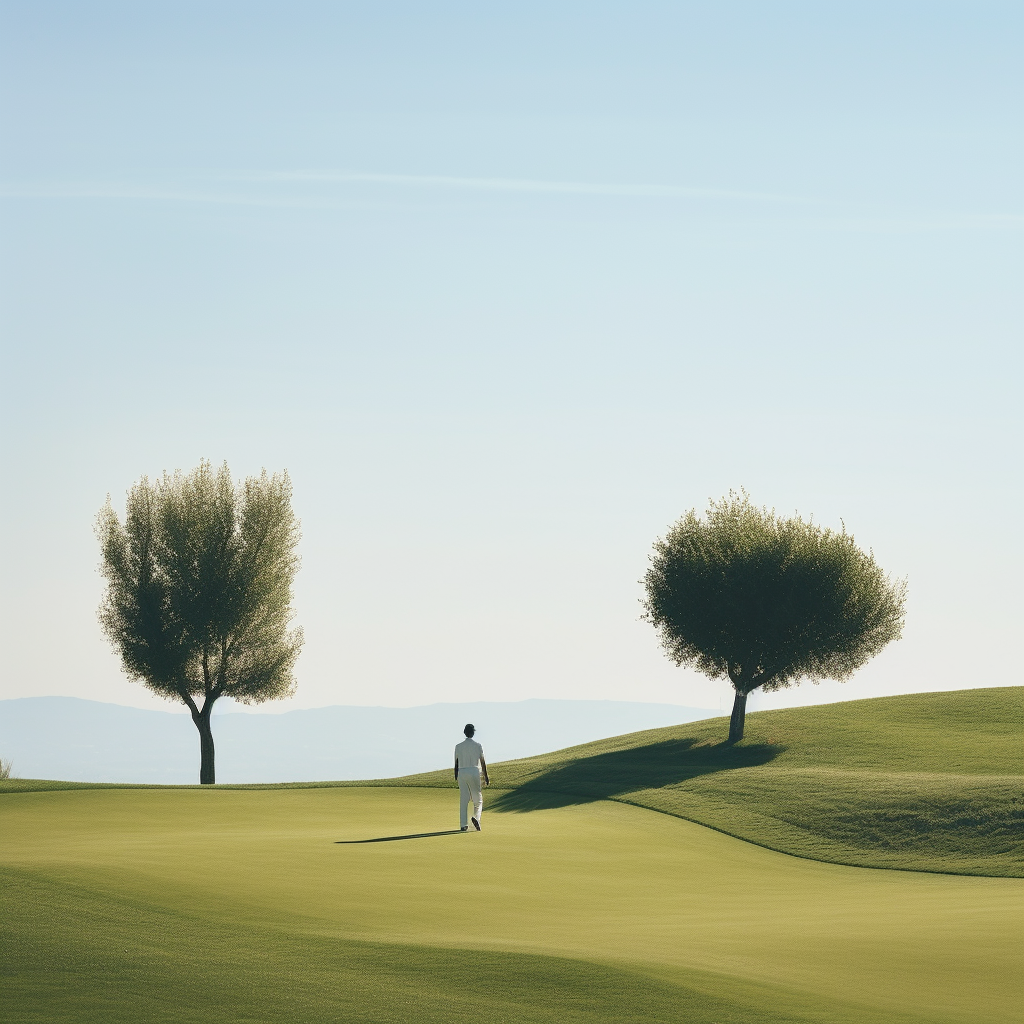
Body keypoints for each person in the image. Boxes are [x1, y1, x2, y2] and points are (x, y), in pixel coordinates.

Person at [454, 723, 489, 831]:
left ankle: (463, 825)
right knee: (478, 799)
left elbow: (456, 763)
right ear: (473, 733)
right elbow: (482, 762)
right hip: (474, 771)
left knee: (464, 799)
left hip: (462, 772)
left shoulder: (458, 746)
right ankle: (476, 818)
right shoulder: (478, 745)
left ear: (465, 732)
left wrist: (456, 776)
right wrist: (486, 776)